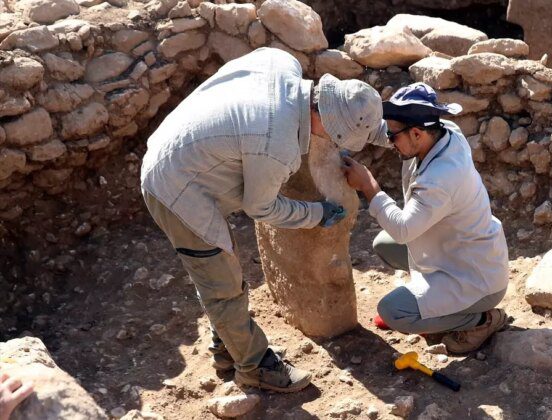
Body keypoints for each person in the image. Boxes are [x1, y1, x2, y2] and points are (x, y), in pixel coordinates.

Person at [140, 47, 384, 392]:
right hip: (175, 186)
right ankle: (253, 366)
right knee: (221, 281)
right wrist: (316, 215)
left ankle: (228, 346)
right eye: (336, 138)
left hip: (181, 144)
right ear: (325, 120)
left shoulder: (282, 64)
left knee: (224, 273)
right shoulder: (276, 144)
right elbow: (262, 209)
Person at [342, 82, 510, 354]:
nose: (389, 140)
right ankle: (433, 309)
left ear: (417, 133)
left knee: (393, 312)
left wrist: (369, 187)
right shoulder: (443, 133)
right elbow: (387, 133)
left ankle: (483, 319)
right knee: (383, 244)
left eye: (394, 135)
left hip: (476, 280)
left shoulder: (441, 177)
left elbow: (404, 230)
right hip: (455, 254)